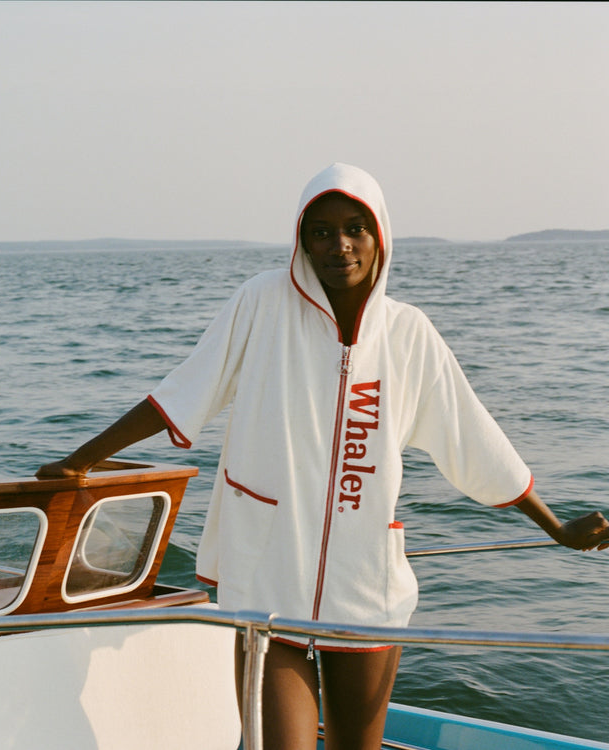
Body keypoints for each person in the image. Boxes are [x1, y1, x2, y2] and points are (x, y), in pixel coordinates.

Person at [37, 163, 609, 749]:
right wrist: (81, 460)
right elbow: (185, 392)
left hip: (367, 583)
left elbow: (475, 441)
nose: (339, 245)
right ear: (301, 238)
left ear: (380, 234)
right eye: (321, 230)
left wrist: (556, 526)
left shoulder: (408, 333)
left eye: (355, 228)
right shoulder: (261, 303)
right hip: (265, 569)